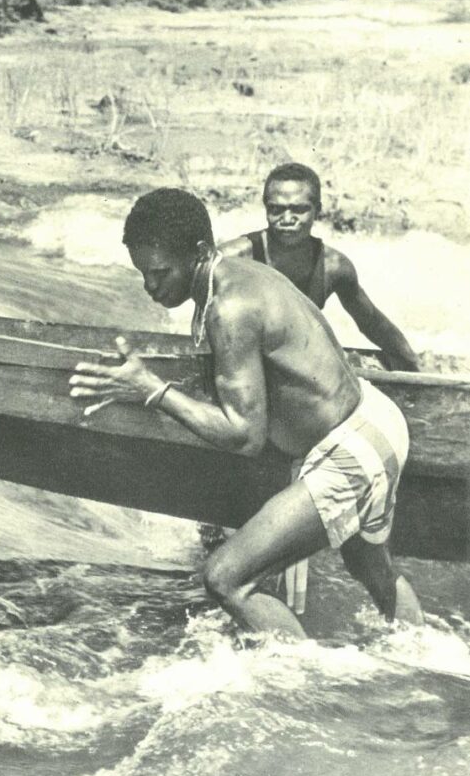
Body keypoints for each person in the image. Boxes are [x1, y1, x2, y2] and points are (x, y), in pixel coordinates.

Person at [68, 187, 423, 638]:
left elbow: (244, 435)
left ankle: (300, 690)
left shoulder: (229, 308)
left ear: (199, 252)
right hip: (377, 421)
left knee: (226, 577)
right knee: (371, 569)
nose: (150, 287)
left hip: (350, 451)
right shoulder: (239, 272)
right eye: (143, 274)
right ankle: (429, 658)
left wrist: (151, 390)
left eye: (160, 272)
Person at [219, 163, 419, 371]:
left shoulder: (333, 267)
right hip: (238, 366)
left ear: (318, 210)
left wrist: (411, 365)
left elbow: (371, 321)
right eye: (276, 209)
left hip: (293, 367)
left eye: (299, 209)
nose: (287, 219)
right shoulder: (233, 258)